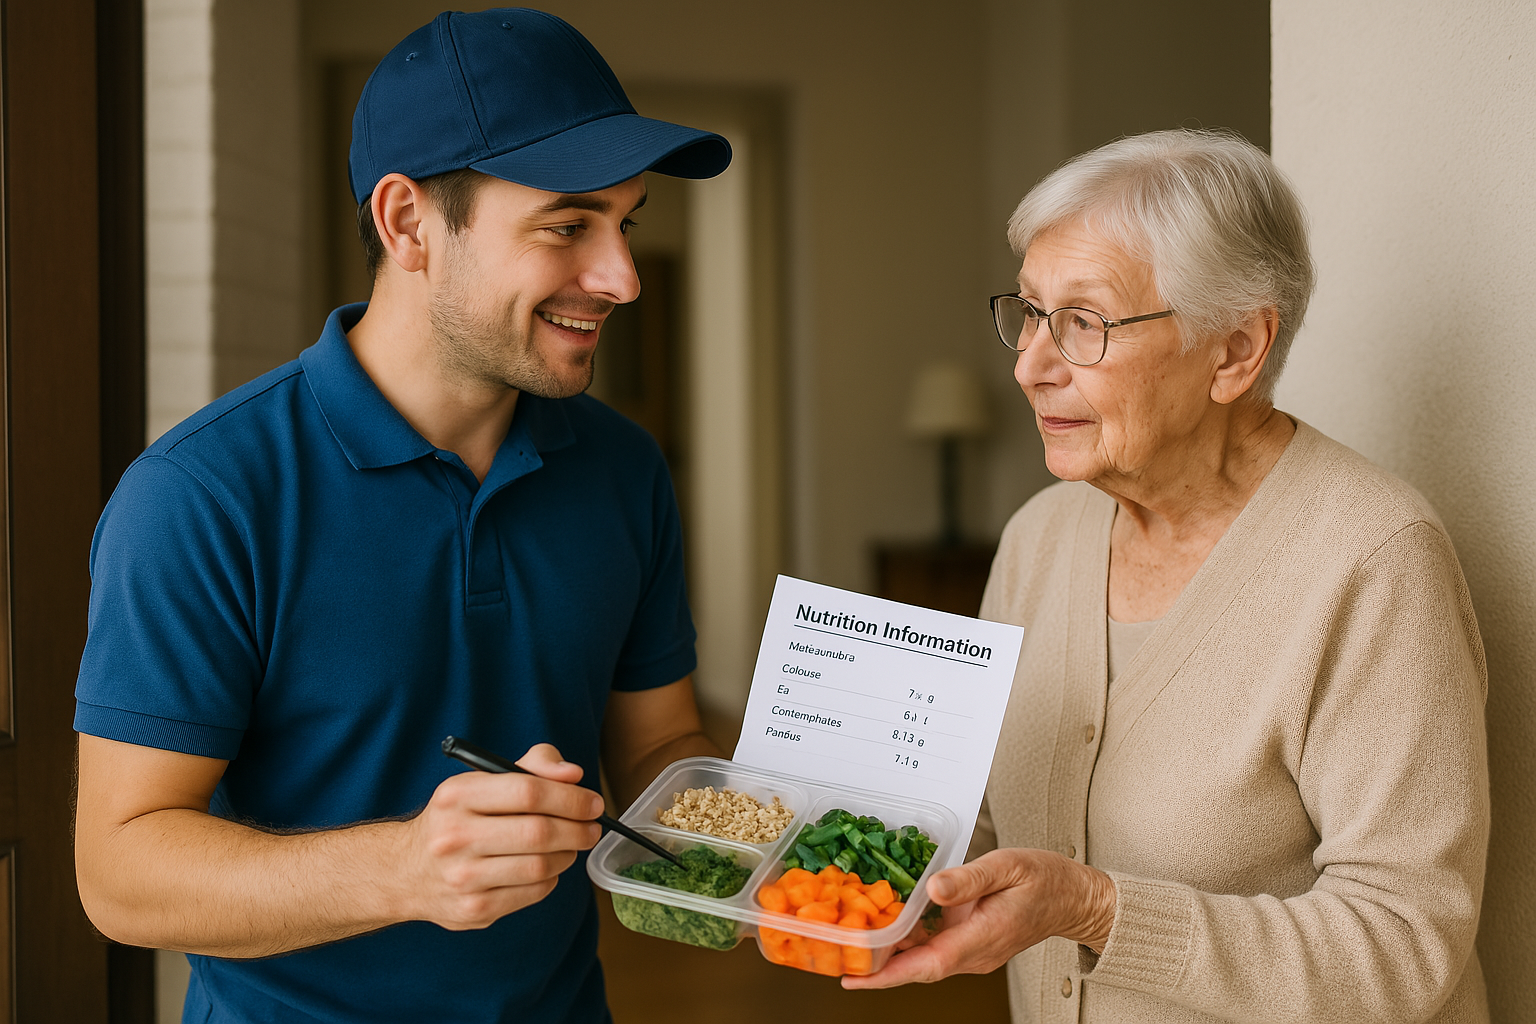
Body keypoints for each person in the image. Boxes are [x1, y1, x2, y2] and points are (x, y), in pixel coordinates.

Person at [72, 9, 731, 1023]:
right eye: (567, 226)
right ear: (408, 223)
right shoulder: (201, 495)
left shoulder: (623, 467)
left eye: (626, 223)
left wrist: (764, 840)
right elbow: (120, 871)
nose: (622, 278)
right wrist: (408, 867)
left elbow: (659, 739)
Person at [845, 129, 1489, 1022]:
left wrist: (1095, 910)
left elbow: (1401, 949)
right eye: (1030, 311)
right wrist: (834, 856)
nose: (1030, 365)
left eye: (1084, 322)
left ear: (1234, 352)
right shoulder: (1040, 535)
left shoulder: (1374, 561)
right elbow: (986, 825)